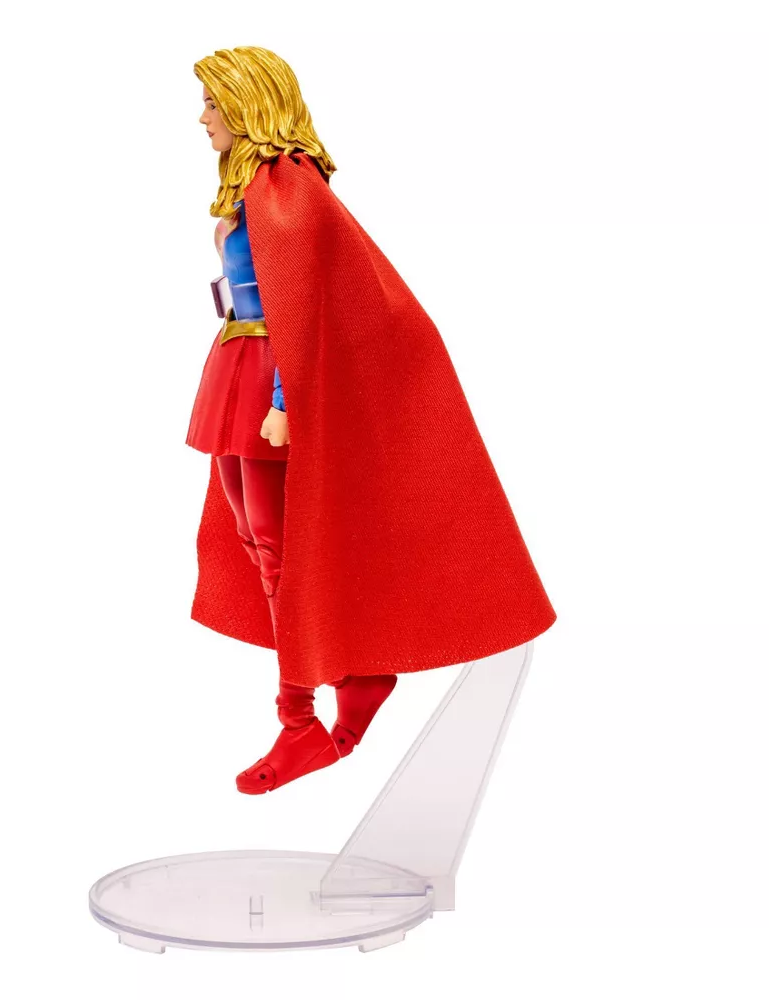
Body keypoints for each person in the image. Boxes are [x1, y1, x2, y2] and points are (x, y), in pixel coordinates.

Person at [186, 47, 556, 796]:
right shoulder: (251, 185)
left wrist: (286, 402)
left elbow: (305, 304)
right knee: (254, 540)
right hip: (235, 363)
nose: (202, 118)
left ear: (249, 103)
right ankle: (354, 676)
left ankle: (301, 723)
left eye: (213, 104)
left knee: (278, 552)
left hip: (269, 378)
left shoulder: (288, 185)